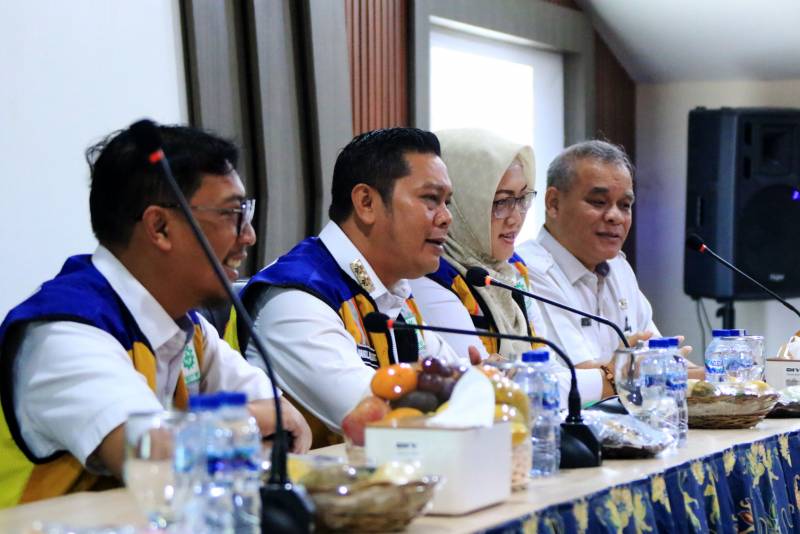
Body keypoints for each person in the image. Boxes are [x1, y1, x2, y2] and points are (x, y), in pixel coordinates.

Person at [0, 124, 311, 508]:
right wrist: (253, 421)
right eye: (232, 214)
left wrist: (243, 425)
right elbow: (153, 459)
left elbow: (286, 426)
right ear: (160, 227)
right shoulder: (64, 333)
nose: (248, 236)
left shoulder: (188, 326)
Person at [240, 128, 468, 446]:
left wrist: (476, 384)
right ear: (366, 202)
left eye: (447, 202)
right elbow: (378, 421)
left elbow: (459, 383)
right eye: (431, 199)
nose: (446, 218)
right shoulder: (295, 299)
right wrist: (471, 391)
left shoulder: (393, 291)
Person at [409, 129, 614, 404]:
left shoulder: (512, 269)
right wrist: (609, 378)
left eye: (522, 198)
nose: (516, 218)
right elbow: (493, 388)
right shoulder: (431, 277)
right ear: (460, 204)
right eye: (502, 202)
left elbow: (547, 369)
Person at [517, 140, 699, 377]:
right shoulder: (527, 270)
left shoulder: (618, 267)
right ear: (553, 203)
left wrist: (722, 379)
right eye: (599, 202)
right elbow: (580, 376)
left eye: (625, 205)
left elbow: (661, 358)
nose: (615, 216)